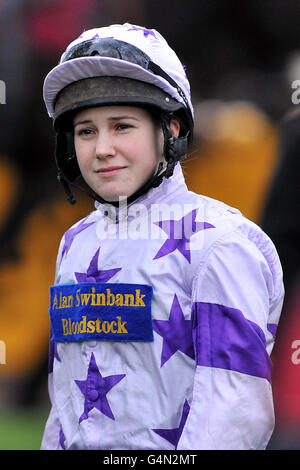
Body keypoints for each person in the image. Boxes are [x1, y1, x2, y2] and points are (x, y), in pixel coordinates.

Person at [41, 23, 284, 450]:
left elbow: (234, 413)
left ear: (171, 129)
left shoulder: (219, 243)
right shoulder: (75, 242)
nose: (101, 149)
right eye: (86, 131)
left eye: (121, 126)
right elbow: (63, 405)